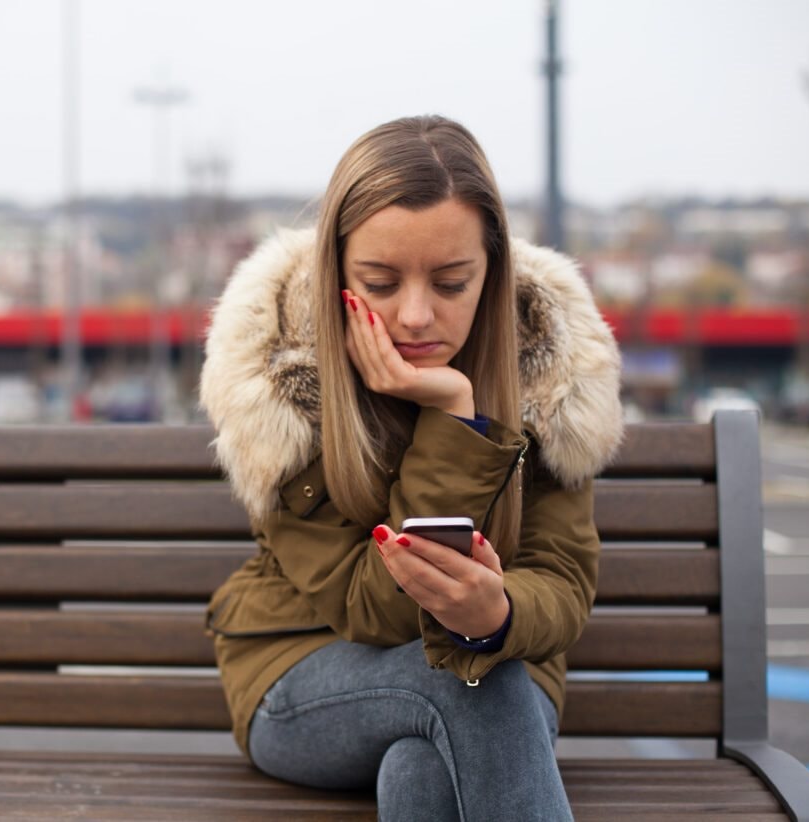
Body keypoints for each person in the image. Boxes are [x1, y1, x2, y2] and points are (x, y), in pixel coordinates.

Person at [199, 115, 624, 821]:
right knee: (467, 687)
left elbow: (564, 583)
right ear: (337, 270)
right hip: (302, 672)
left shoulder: (548, 367)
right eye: (380, 281)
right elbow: (376, 607)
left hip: (504, 672)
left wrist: (499, 614)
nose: (416, 315)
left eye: (453, 282)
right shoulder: (278, 380)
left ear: (493, 273)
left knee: (426, 771)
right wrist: (455, 415)